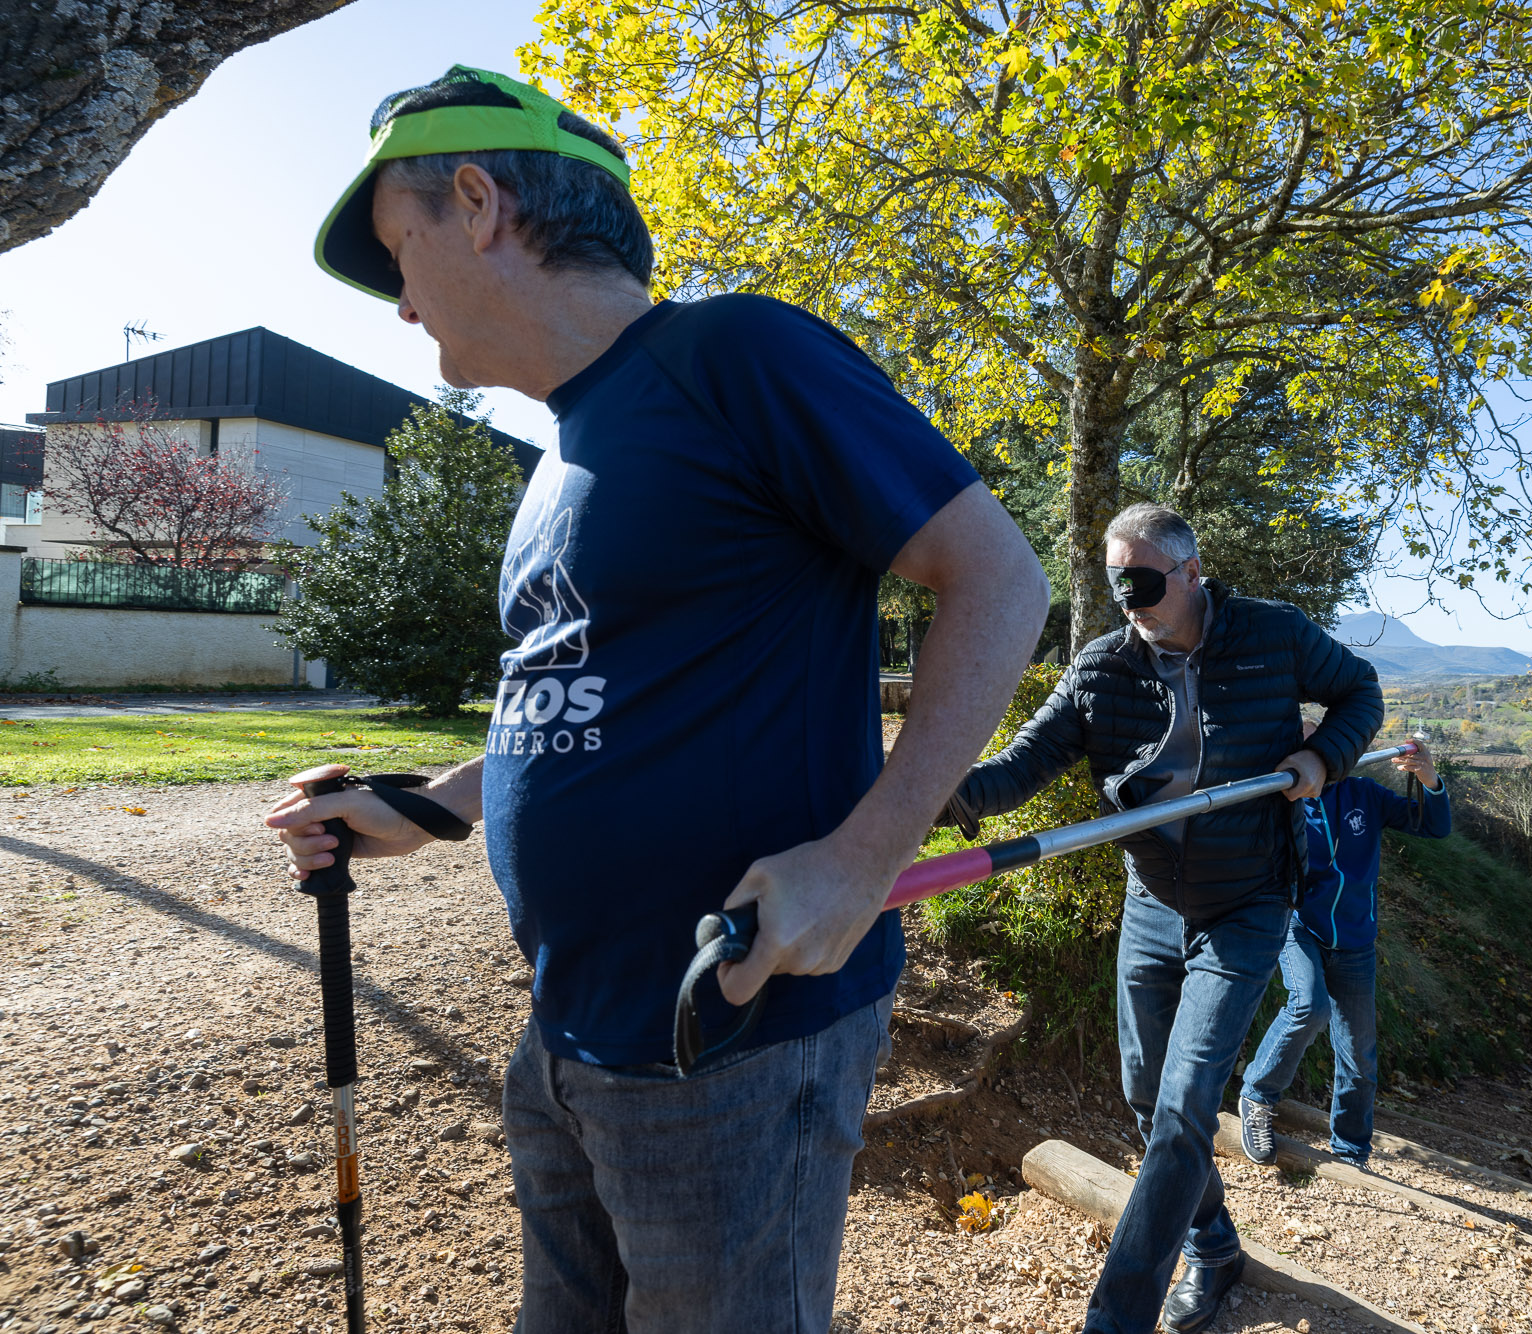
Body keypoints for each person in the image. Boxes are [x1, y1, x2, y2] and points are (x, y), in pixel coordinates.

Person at [267, 65, 1048, 1334]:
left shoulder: (734, 355)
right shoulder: (560, 449)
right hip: (569, 1033)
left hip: (730, 1038)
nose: (401, 305)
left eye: (399, 253)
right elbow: (577, 703)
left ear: (477, 201)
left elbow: (1001, 580)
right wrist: (424, 805)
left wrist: (861, 860)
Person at [941, 502, 1383, 1334]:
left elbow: (1360, 691)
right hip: (1152, 902)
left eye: (1142, 581)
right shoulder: (1104, 666)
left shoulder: (1273, 635)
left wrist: (1321, 756)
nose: (1129, 600)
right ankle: (1214, 1244)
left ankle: (1118, 1318)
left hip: (1248, 902)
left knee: (1185, 1106)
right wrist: (927, 797)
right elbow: (1025, 764)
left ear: (1189, 571)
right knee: (1146, 1099)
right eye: (1116, 585)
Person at [1236, 736, 1450, 1168]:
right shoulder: (1277, 802)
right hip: (1300, 927)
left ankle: (1351, 1151)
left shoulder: (1363, 794)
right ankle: (1257, 1096)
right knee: (1309, 1006)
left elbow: (1432, 825)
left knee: (1359, 1054)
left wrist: (1429, 778)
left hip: (1355, 939)